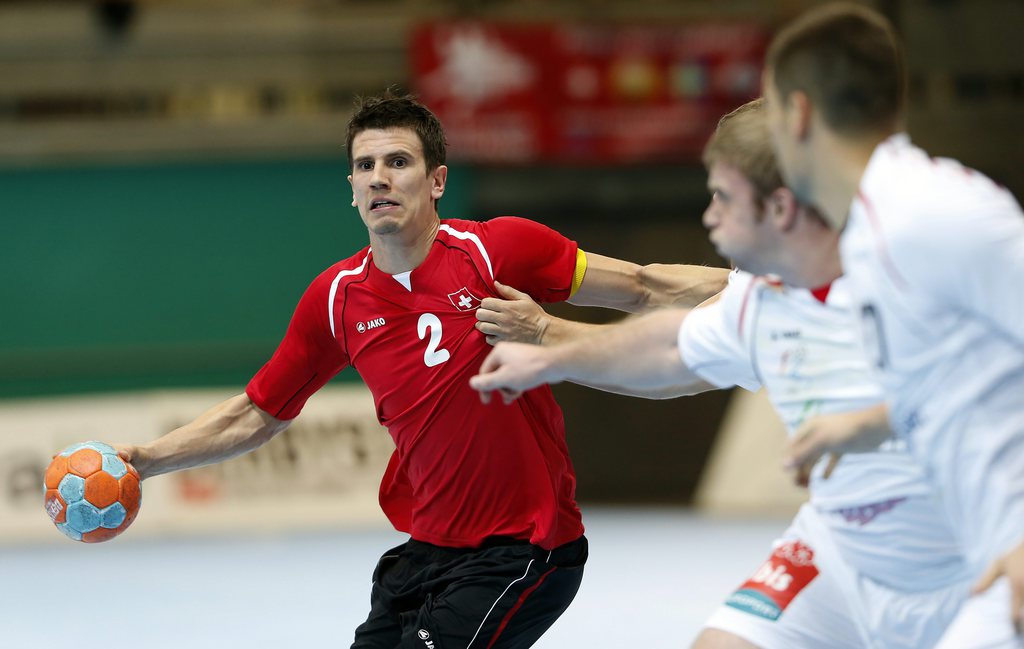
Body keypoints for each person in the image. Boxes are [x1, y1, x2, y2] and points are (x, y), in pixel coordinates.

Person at [114, 89, 728, 648]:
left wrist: (759, 284)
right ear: (350, 187)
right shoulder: (336, 298)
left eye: (397, 162)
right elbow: (256, 413)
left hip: (524, 549)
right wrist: (144, 461)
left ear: (436, 181)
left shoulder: (500, 251)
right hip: (427, 553)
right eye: (364, 166)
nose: (379, 178)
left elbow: (646, 287)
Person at [470, 99, 1017, 648]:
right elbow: (668, 348)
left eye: (724, 197)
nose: (709, 215)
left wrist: (875, 423)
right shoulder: (762, 295)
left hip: (978, 560)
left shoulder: (917, 275)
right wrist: (550, 350)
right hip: (842, 557)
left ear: (779, 209)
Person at [760, 1, 1024, 636]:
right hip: (993, 563)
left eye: (766, 110)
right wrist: (866, 426)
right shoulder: (872, 229)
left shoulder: (928, 213)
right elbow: (964, 380)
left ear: (797, 113)